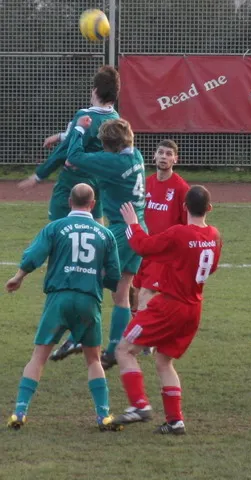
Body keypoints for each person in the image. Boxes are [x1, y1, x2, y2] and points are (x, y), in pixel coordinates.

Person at [18, 65, 121, 362]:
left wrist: (39, 175)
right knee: (97, 249)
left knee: (59, 244)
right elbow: (85, 136)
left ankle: (61, 316)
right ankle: (83, 328)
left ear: (94, 90)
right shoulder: (116, 120)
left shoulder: (83, 115)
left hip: (70, 189)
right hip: (96, 188)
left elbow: (67, 151)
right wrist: (62, 134)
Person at [5, 184, 122, 431]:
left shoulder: (55, 227)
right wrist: (102, 282)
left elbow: (34, 256)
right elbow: (114, 274)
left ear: (70, 202)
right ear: (93, 204)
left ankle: (19, 412)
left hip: (58, 299)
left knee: (39, 357)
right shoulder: (106, 234)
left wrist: (18, 277)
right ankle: (103, 415)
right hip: (88, 300)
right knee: (93, 360)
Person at [110, 186, 222, 435]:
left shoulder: (179, 233)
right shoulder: (215, 235)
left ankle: (139, 405)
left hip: (170, 306)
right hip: (194, 308)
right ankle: (175, 421)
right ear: (209, 208)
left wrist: (132, 223)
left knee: (124, 350)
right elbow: (211, 268)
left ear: (184, 207)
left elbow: (143, 246)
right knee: (163, 360)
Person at [64, 116, 147, 370]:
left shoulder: (114, 162)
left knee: (90, 280)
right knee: (121, 292)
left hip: (122, 230)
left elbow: (75, 156)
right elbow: (105, 171)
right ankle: (111, 352)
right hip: (139, 228)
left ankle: (77, 337)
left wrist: (79, 130)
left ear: (109, 146)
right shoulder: (136, 156)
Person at [131, 140, 189, 314]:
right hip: (141, 250)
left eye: (169, 154)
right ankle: (140, 330)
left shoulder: (181, 188)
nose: (164, 157)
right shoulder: (144, 184)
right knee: (133, 297)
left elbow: (187, 225)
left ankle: (143, 331)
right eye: (161, 153)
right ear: (154, 156)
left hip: (162, 254)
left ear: (175, 159)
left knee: (145, 295)